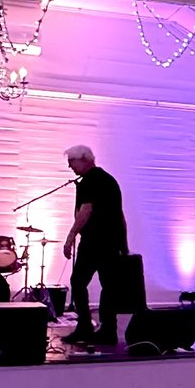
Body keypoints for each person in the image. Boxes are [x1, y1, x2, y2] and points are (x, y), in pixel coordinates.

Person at [60, 144, 126, 345]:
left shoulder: (90, 181)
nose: (70, 167)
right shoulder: (109, 180)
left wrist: (71, 236)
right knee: (109, 286)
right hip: (112, 241)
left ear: (83, 159)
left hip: (94, 241)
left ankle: (84, 327)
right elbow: (120, 215)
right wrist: (124, 244)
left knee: (78, 282)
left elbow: (86, 210)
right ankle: (109, 329)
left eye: (71, 162)